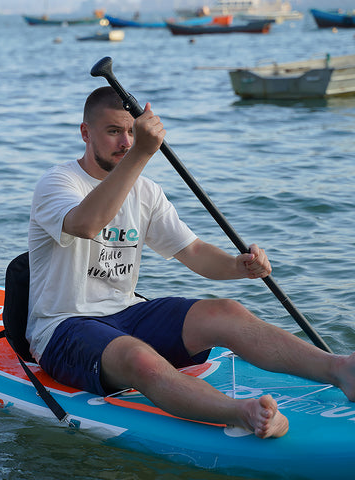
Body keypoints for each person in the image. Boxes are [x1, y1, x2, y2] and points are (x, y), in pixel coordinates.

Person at [27, 86, 355, 439]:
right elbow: (86, 224)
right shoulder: (58, 182)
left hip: (124, 313)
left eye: (132, 132)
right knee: (138, 357)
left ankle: (340, 369)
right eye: (113, 131)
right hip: (62, 326)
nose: (126, 142)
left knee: (225, 311)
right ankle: (245, 413)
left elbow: (193, 251)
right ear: (85, 132)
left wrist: (239, 266)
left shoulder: (146, 190)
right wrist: (141, 153)